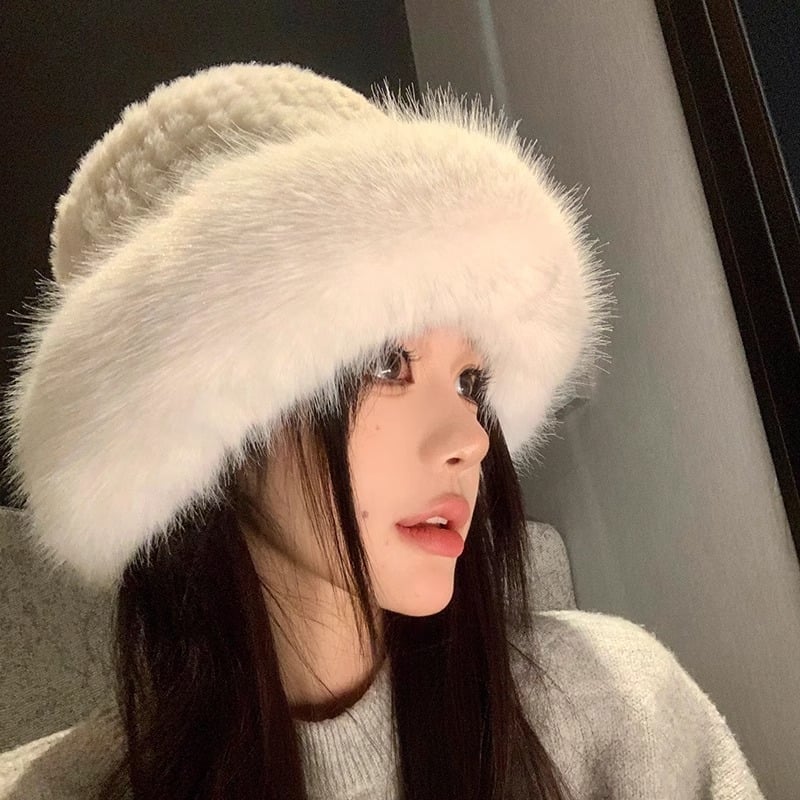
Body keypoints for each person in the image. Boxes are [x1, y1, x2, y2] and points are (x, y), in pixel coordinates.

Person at [0, 62, 764, 799]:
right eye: (385, 363)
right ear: (197, 423)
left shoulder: (622, 709)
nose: (472, 440)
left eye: (471, 383)